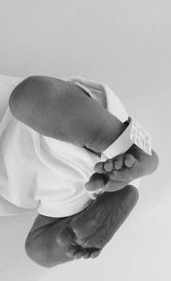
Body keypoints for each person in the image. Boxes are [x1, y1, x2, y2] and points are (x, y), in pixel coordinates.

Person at [0, 74, 158, 267]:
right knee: (38, 250)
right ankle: (91, 222)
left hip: (65, 128)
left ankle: (132, 148)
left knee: (29, 97)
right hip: (59, 193)